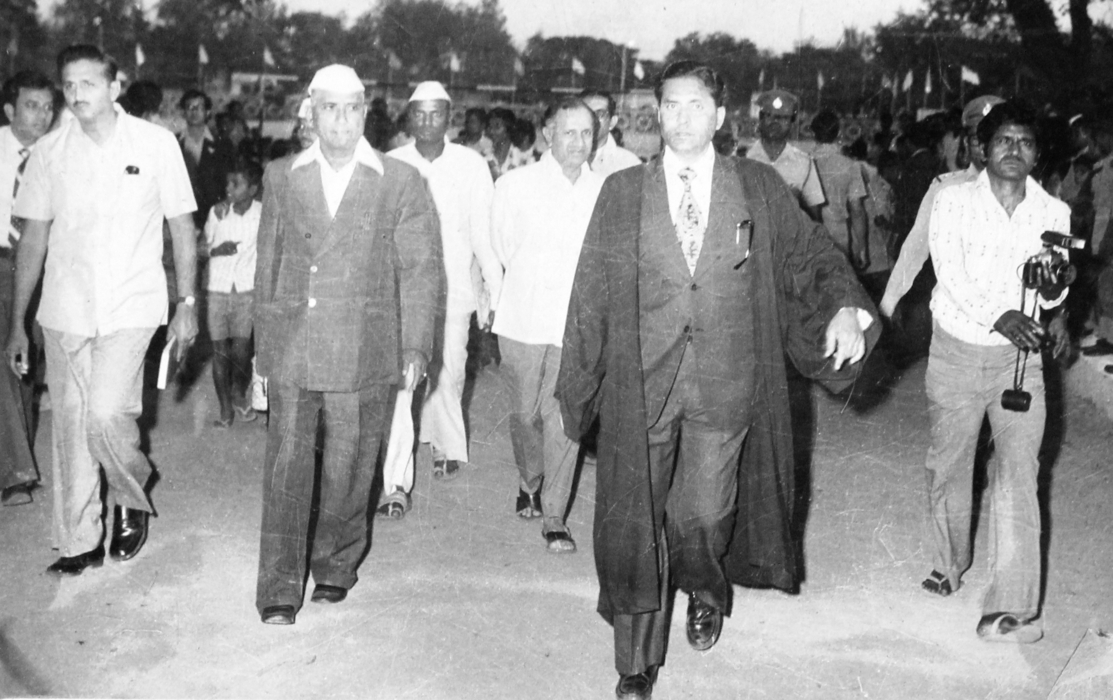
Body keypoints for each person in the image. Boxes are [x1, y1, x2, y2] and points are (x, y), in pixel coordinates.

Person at [556, 60, 878, 699]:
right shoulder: (623, 191)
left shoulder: (756, 185)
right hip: (642, 384)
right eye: (670, 106)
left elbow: (809, 255)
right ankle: (636, 661)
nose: (681, 118)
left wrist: (846, 305)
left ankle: (703, 584)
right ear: (657, 113)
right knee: (637, 515)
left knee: (704, 512)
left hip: (727, 381)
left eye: (695, 105)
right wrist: (579, 384)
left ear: (721, 116)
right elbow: (590, 291)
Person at [252, 64, 440, 625]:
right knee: (286, 469)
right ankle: (279, 586)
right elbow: (268, 266)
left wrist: (416, 347)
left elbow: (420, 269)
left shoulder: (399, 180)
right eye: (329, 107)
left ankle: (334, 565)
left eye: (351, 107)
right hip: (295, 343)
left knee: (350, 466)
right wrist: (263, 352)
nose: (340, 119)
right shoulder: (282, 175)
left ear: (365, 113)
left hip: (365, 345)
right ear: (311, 113)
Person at [5, 44, 199, 574]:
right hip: (64, 308)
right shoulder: (49, 152)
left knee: (106, 415)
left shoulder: (155, 144)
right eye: (69, 85)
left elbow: (182, 226)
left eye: (88, 83)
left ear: (114, 88)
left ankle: (131, 495)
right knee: (70, 428)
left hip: (131, 304)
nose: (76, 94)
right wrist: (17, 322)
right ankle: (79, 540)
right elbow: (33, 240)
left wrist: (187, 302)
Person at [922, 100, 1070, 644]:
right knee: (950, 463)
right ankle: (948, 562)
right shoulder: (953, 200)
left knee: (1019, 473)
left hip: (1019, 361)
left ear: (1037, 154)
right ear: (982, 148)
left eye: (1025, 142)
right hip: (957, 350)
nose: (1014, 150)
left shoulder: (1054, 212)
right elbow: (950, 273)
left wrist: (1053, 291)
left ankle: (1010, 606)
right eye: (1004, 140)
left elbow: (1051, 291)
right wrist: (1000, 314)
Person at [379, 81, 502, 515]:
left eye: (436, 113)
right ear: (409, 117)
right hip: (404, 291)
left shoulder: (472, 164)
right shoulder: (392, 163)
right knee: (404, 379)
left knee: (449, 370)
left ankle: (444, 444)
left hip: (454, 288)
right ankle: (396, 478)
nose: (428, 122)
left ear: (450, 117)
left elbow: (483, 233)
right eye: (420, 113)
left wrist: (494, 289)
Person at [491, 97, 604, 553]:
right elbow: (501, 247)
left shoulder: (604, 190)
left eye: (586, 133)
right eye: (568, 132)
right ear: (548, 134)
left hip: (575, 324)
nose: (578, 142)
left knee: (564, 416)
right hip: (522, 318)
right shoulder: (515, 185)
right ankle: (528, 479)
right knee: (525, 413)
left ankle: (554, 515)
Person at [879, 96, 1005, 318]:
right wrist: (888, 304)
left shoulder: (1031, 194)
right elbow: (915, 247)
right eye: (978, 138)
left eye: (998, 138)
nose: (986, 147)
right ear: (966, 143)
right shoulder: (945, 188)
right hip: (957, 319)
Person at [1, 70, 53, 507]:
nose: (42, 115)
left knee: (25, 364)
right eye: (32, 106)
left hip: (41, 269)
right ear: (9, 110)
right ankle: (16, 473)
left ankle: (19, 465)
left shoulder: (57, 155)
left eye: (48, 107)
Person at [201, 158, 263, 428]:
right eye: (227, 183)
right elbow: (201, 248)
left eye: (236, 184)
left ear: (253, 189)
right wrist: (216, 249)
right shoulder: (217, 213)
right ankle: (225, 408)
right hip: (218, 289)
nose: (228, 188)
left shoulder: (263, 214)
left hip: (246, 291)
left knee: (241, 351)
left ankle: (238, 392)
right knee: (219, 352)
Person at [744, 89, 825, 221]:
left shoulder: (804, 163)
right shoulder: (743, 157)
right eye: (769, 116)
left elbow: (815, 217)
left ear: (792, 123)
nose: (775, 122)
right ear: (761, 118)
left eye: (783, 118)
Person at [810, 109, 868, 268]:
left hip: (808, 236)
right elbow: (857, 210)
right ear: (838, 134)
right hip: (838, 236)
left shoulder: (804, 163)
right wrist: (862, 248)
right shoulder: (850, 166)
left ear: (813, 134)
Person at [178, 88, 235, 228]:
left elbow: (230, 178)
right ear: (183, 113)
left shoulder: (223, 144)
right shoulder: (174, 142)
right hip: (182, 215)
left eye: (199, 107)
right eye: (189, 107)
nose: (194, 112)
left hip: (214, 214)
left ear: (208, 112)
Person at [579, 89, 642, 178]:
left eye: (599, 114)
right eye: (586, 113)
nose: (592, 119)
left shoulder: (629, 164)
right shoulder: (562, 157)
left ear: (612, 122)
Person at [486, 107, 531, 180]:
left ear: (508, 128)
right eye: (490, 127)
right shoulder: (486, 156)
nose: (491, 131)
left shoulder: (522, 156)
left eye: (497, 127)